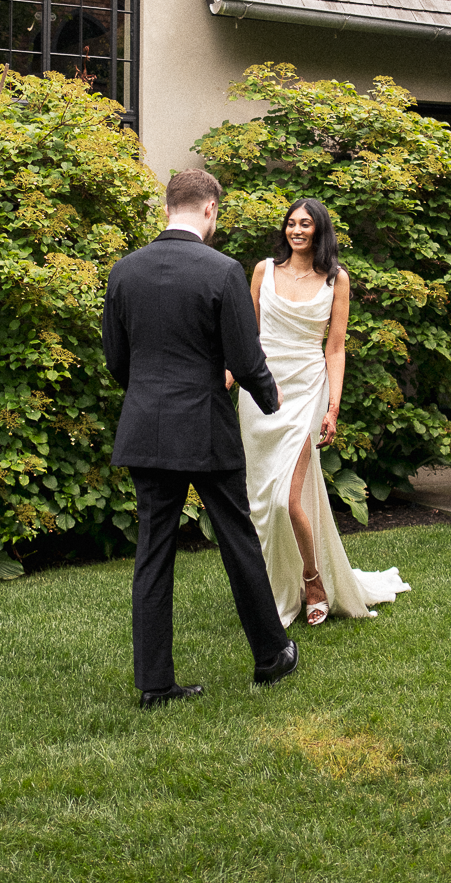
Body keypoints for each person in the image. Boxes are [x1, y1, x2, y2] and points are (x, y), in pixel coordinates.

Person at [102, 168, 299, 709]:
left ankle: (155, 684)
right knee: (237, 538)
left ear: (169, 207)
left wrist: (148, 397)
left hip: (146, 427)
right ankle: (271, 655)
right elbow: (246, 357)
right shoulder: (222, 270)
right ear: (210, 209)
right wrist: (272, 400)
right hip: (206, 428)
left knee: (152, 553)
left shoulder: (125, 271)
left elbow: (116, 358)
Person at [235, 198, 410, 628]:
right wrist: (228, 372)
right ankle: (271, 587)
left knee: (285, 500)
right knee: (262, 502)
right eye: (291, 223)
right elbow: (246, 336)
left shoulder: (336, 279)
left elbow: (335, 348)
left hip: (307, 393)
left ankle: (313, 580)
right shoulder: (263, 271)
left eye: (305, 224)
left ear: (319, 230)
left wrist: (333, 407)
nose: (296, 230)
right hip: (260, 394)